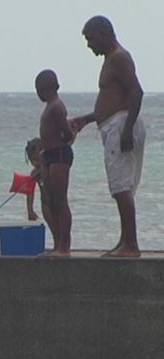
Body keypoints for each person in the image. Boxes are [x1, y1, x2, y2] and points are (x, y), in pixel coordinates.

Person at [71, 15, 146, 258]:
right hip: (114, 125)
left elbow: (136, 92)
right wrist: (85, 119)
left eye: (90, 39)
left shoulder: (119, 58)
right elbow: (111, 101)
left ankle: (131, 245)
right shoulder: (110, 60)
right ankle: (124, 240)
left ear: (103, 34)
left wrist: (126, 130)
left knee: (121, 186)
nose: (89, 45)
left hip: (121, 126)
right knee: (118, 186)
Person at [34, 70, 75, 256]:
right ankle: (58, 242)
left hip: (59, 154)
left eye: (40, 90)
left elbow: (66, 134)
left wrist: (71, 134)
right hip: (48, 155)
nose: (39, 94)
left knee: (60, 200)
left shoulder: (57, 106)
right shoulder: (49, 106)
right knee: (50, 201)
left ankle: (64, 245)